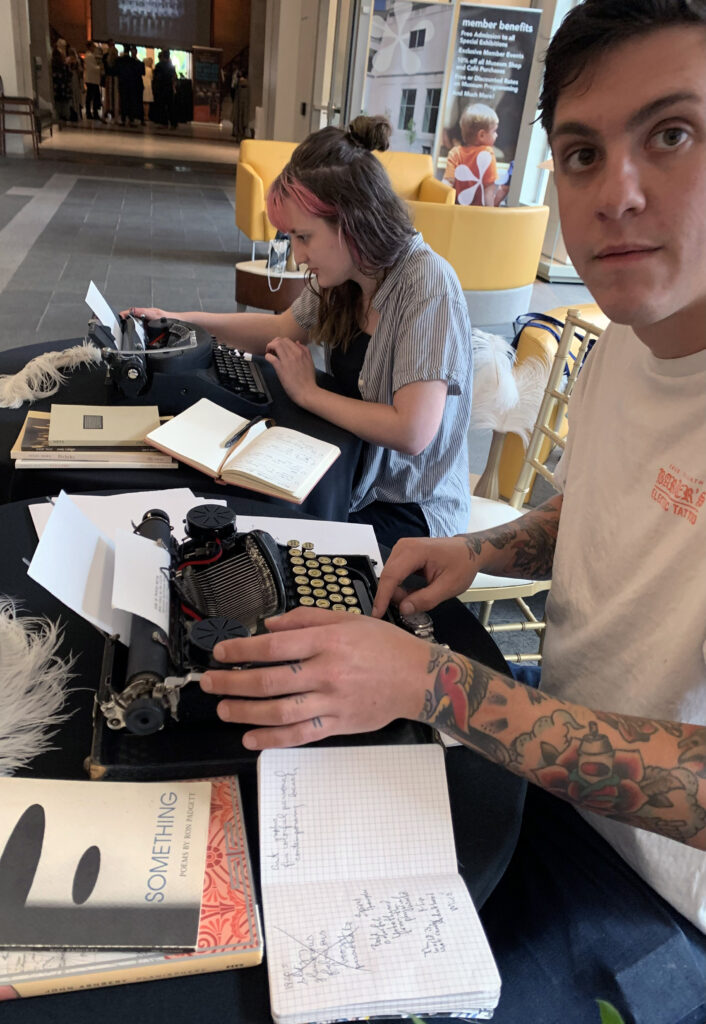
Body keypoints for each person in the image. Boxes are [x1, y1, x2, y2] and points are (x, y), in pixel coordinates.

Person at [195, 3, 706, 1021]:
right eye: (579, 152)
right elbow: (603, 504)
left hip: (659, 900)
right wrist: (480, 546)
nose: (618, 193)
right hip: (543, 777)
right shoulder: (619, 354)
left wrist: (440, 687)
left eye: (673, 133)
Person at [128, 116, 473, 547]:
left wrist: (308, 393)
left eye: (304, 237)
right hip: (350, 476)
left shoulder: (427, 283)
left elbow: (412, 432)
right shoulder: (347, 275)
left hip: (409, 512)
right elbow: (278, 327)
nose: (298, 254)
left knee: (272, 544)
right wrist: (180, 319)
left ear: (352, 223)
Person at [443, 102, 499, 206]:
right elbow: (489, 192)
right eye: (494, 131)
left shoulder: (455, 153)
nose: (497, 135)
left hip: (456, 211)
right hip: (477, 215)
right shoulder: (487, 153)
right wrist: (491, 216)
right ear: (481, 135)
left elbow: (447, 184)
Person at [151, 49, 177, 128]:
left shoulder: (159, 65)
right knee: (171, 106)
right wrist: (174, 87)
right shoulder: (171, 66)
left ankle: (164, 122)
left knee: (162, 106)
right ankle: (173, 123)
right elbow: (174, 77)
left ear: (162, 56)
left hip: (161, 88)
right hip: (169, 88)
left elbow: (155, 77)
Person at [83, 42, 103, 121]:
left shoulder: (90, 56)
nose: (94, 49)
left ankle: (92, 112)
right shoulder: (89, 56)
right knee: (91, 96)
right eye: (93, 47)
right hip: (91, 79)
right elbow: (92, 67)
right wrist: (100, 68)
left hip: (92, 79)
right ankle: (91, 113)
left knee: (92, 96)